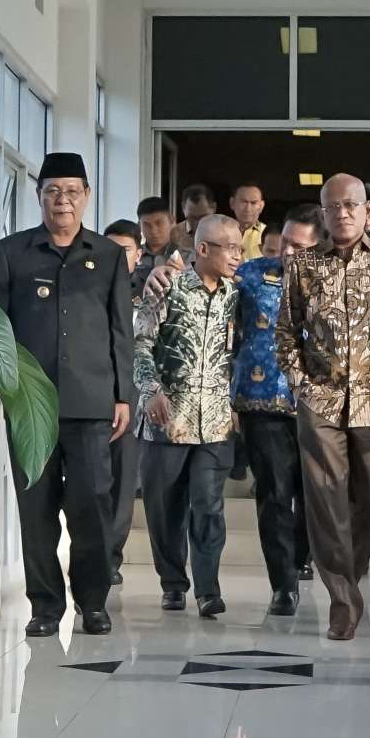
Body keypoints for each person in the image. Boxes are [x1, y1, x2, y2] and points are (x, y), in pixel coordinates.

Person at [0, 152, 133, 638]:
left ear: (86, 196)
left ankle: (93, 602)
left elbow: (120, 330)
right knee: (36, 509)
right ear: (39, 196)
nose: (63, 201)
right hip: (29, 405)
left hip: (91, 403)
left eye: (72, 192)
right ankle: (44, 607)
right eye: (52, 192)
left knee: (92, 507)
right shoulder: (12, 253)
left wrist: (123, 396)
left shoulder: (108, 256)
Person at [278, 175, 370, 641]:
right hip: (320, 401)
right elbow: (287, 332)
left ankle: (351, 572)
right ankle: (342, 601)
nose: (343, 213)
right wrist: (301, 386)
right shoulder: (303, 264)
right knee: (326, 503)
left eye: (351, 205)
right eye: (333, 207)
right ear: (323, 213)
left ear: (368, 211)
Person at [136, 214, 244, 618]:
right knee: (165, 510)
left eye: (240, 248)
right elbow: (140, 344)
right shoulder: (167, 288)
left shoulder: (237, 294)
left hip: (215, 421)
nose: (237, 256)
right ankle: (172, 583)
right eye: (229, 248)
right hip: (167, 420)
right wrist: (151, 390)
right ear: (202, 249)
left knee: (209, 506)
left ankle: (208, 590)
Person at [232, 205, 322, 615]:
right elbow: (208, 286)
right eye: (285, 242)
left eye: (299, 246)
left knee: (312, 493)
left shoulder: (332, 280)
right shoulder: (252, 275)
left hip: (315, 405)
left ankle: (301, 557)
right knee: (273, 494)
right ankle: (282, 584)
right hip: (260, 402)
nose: (288, 252)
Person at [102, 219, 145, 587]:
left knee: (122, 483)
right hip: (90, 396)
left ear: (139, 255)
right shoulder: (86, 290)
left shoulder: (151, 294)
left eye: (125, 250)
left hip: (132, 398)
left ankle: (110, 557)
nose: (116, 257)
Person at [135, 197, 178, 289]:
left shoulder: (185, 254)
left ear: (171, 221)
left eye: (159, 223)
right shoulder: (133, 255)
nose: (153, 230)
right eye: (147, 225)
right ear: (139, 226)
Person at [170, 184, 217, 254]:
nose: (197, 223)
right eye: (192, 218)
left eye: (203, 217)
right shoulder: (174, 235)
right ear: (183, 208)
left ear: (214, 207)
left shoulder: (226, 233)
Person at [231, 181, 268, 261]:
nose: (248, 208)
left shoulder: (268, 235)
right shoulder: (220, 232)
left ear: (261, 206)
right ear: (232, 203)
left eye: (253, 203)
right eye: (243, 202)